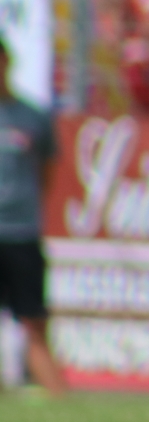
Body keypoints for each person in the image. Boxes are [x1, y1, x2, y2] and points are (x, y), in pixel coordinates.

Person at [0, 38, 64, 396]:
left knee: (33, 320)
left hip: (21, 233)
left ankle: (58, 401)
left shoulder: (32, 116)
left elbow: (47, 173)